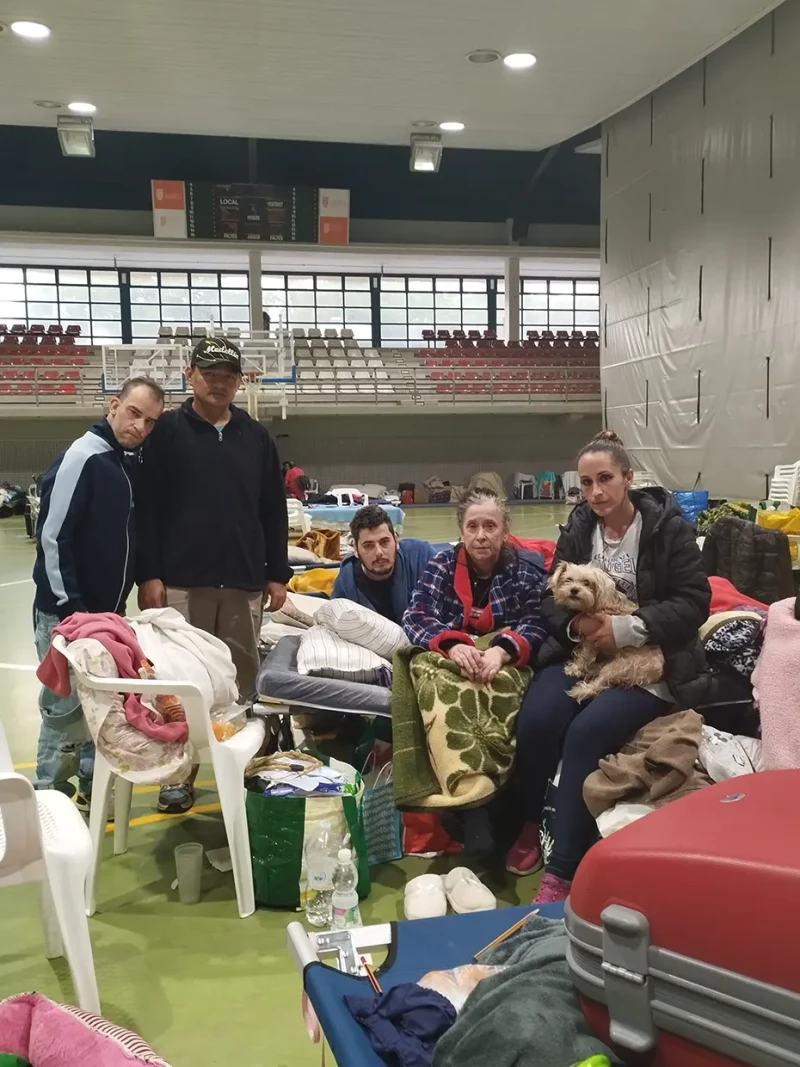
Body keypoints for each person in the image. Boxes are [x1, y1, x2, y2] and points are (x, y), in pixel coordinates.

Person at [512, 430, 712, 903]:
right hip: (583, 652)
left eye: (605, 479)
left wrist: (626, 631)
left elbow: (694, 602)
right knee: (538, 721)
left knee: (585, 733)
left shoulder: (668, 528)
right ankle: (525, 821)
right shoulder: (580, 526)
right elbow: (550, 598)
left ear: (628, 478)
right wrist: (580, 630)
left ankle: (561, 869)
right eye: (586, 483)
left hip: (649, 660)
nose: (596, 492)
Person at [136, 336, 292, 813]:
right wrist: (148, 573)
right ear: (190, 377)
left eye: (229, 375)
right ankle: (178, 777)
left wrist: (277, 572)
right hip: (183, 584)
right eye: (210, 374)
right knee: (183, 688)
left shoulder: (256, 437)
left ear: (240, 381)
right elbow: (146, 508)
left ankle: (240, 768)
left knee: (240, 686)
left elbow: (273, 509)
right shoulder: (166, 432)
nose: (219, 383)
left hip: (244, 585)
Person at [32, 378, 166, 810]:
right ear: (113, 406)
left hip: (106, 617)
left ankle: (90, 789)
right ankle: (49, 798)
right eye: (134, 413)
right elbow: (52, 538)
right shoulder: (83, 457)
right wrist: (72, 612)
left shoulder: (124, 462)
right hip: (67, 616)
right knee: (65, 709)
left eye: (150, 421)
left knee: (100, 707)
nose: (141, 426)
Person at [403, 489, 548, 856]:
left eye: (490, 526)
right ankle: (472, 801)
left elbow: (537, 622)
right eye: (473, 526)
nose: (481, 535)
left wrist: (500, 651)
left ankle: (489, 799)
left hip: (504, 660)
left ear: (504, 530)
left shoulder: (527, 568)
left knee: (497, 693)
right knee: (434, 682)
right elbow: (416, 616)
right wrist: (453, 645)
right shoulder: (441, 566)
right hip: (454, 658)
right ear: (461, 531)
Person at [332, 504, 436, 624]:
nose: (379, 552)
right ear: (355, 549)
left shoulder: (422, 557)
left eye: (384, 542)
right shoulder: (346, 584)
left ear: (396, 541)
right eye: (368, 546)